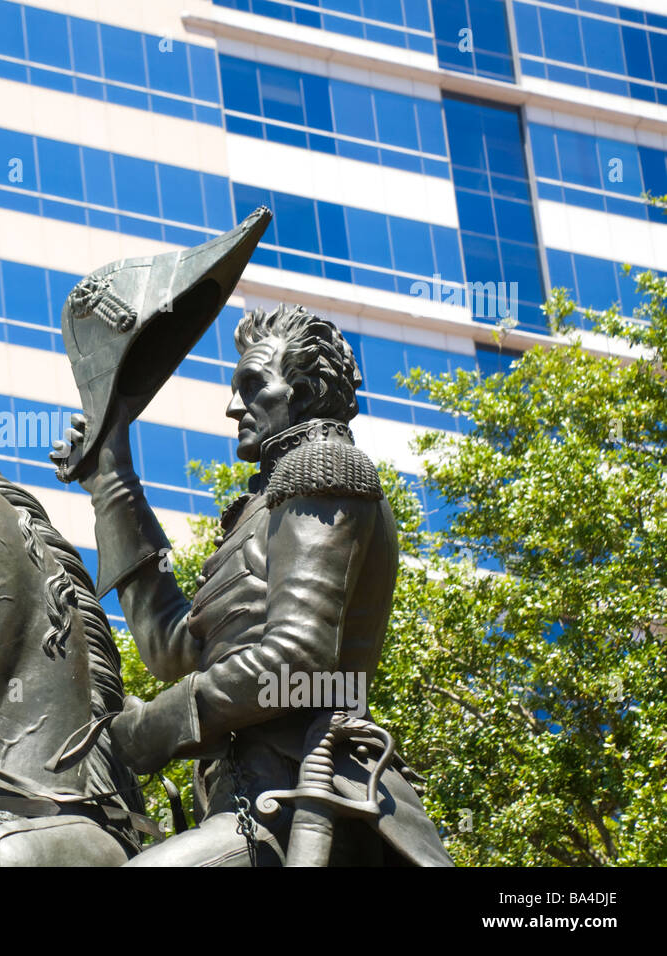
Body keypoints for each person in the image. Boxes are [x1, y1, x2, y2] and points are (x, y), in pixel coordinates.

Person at [53, 302, 453, 866]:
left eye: (252, 384)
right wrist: (111, 478)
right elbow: (175, 648)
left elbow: (296, 660)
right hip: (242, 802)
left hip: (303, 794)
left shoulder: (324, 471)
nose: (232, 404)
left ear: (306, 394)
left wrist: (146, 729)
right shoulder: (263, 511)